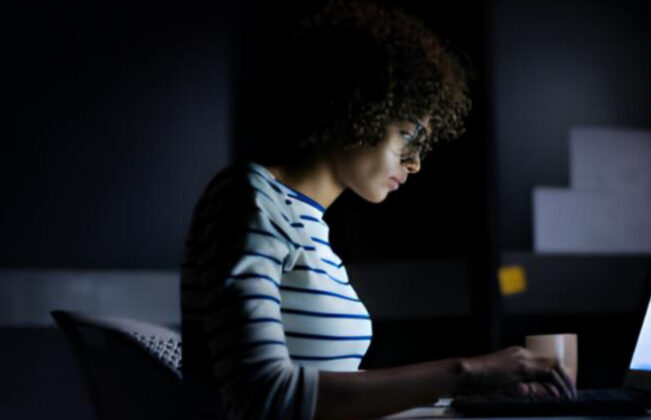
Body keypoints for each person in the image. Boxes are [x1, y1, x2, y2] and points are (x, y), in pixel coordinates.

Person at [180, 1, 576, 419]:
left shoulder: (308, 225)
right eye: (407, 136)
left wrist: (462, 394)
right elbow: (262, 398)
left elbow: (330, 380)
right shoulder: (249, 197)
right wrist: (466, 371)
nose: (415, 163)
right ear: (356, 108)